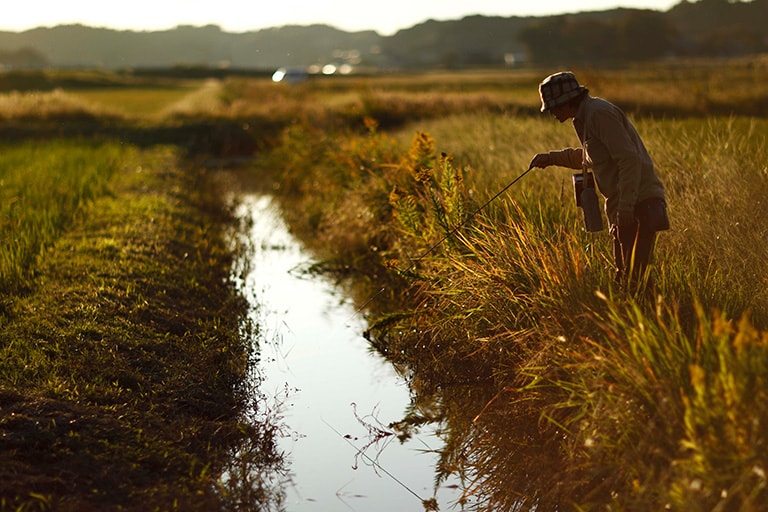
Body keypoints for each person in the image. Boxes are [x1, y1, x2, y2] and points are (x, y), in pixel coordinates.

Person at [528, 71, 669, 293]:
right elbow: (590, 157)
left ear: (566, 101)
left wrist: (626, 209)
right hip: (623, 206)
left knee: (636, 278)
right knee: (624, 276)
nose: (552, 113)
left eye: (553, 107)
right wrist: (551, 158)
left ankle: (653, 321)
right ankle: (635, 320)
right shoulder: (584, 118)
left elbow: (629, 160)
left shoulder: (599, 114)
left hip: (638, 203)